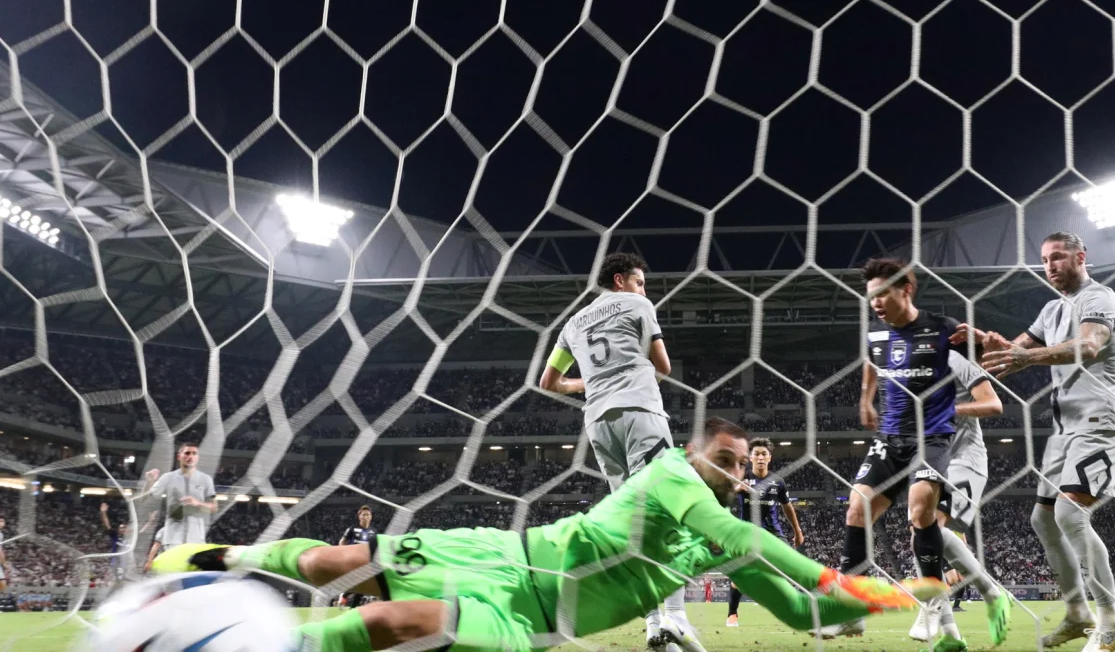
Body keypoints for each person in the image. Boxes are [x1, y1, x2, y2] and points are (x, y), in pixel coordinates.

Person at [153, 417, 945, 652]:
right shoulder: (670, 473)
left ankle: (242, 643)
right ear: (696, 451)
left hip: (531, 613)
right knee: (337, 562)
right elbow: (777, 557)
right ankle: (232, 556)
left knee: (398, 621)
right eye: (728, 460)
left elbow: (803, 614)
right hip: (502, 551)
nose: (736, 476)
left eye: (742, 469)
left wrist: (869, 602)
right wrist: (837, 575)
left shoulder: (717, 538)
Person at [953, 231, 1115, 652]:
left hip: (1100, 422)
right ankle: (1077, 614)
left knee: (1071, 516)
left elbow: (1089, 345)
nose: (1049, 266)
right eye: (1045, 260)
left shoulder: (1099, 299)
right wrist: (989, 344)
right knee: (1042, 519)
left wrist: (1026, 357)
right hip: (1064, 429)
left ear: (1080, 257)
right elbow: (1014, 353)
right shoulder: (1052, 309)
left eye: (1057, 257)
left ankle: (1111, 620)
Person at [537, 252, 697, 652]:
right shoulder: (638, 304)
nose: (645, 289)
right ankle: (676, 618)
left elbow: (548, 381)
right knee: (668, 507)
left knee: (632, 523)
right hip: (639, 412)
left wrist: (586, 385)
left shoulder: (572, 323)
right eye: (641, 281)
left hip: (599, 426)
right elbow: (663, 365)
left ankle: (650, 623)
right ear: (621, 280)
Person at [817, 258, 961, 641]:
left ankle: (931, 603)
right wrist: (866, 399)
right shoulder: (875, 335)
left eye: (883, 294)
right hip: (891, 437)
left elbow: (983, 355)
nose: (877, 303)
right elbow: (871, 362)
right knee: (856, 507)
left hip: (932, 437)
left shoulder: (944, 329)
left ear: (907, 289)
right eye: (871, 297)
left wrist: (996, 345)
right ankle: (850, 608)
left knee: (919, 509)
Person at [907, 350, 1012, 651]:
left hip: (966, 459)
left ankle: (988, 592)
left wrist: (951, 409)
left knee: (931, 527)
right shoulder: (907, 375)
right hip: (932, 460)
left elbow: (993, 404)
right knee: (920, 534)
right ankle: (951, 635)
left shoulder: (954, 362)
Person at [726, 437, 804, 627]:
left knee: (789, 566)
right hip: (747, 533)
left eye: (764, 454)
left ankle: (791, 607)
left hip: (773, 533)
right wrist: (736, 489)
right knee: (739, 575)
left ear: (770, 458)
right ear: (750, 457)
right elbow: (722, 499)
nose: (760, 457)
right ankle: (732, 614)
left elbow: (787, 507)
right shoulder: (741, 478)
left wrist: (797, 531)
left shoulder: (778, 482)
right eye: (757, 454)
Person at [141, 442, 218, 548]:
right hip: (173, 539)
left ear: (198, 457)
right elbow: (145, 500)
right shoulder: (168, 478)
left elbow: (214, 507)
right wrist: (149, 482)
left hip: (196, 539)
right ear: (179, 457)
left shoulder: (206, 479)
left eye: (194, 453)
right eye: (187, 453)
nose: (191, 456)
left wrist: (197, 503)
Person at [338, 505, 378, 609]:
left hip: (366, 561)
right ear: (359, 516)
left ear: (371, 517)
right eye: (363, 515)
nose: (366, 517)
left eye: (368, 515)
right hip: (353, 560)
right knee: (361, 584)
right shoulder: (352, 528)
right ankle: (348, 599)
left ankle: (349, 602)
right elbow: (342, 542)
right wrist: (342, 554)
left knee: (364, 586)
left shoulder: (373, 531)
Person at [0, 516, 9, 592]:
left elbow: (0, 551)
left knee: (3, 585)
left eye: (2, 521)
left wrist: (4, 563)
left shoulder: (1, 535)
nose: (1, 523)